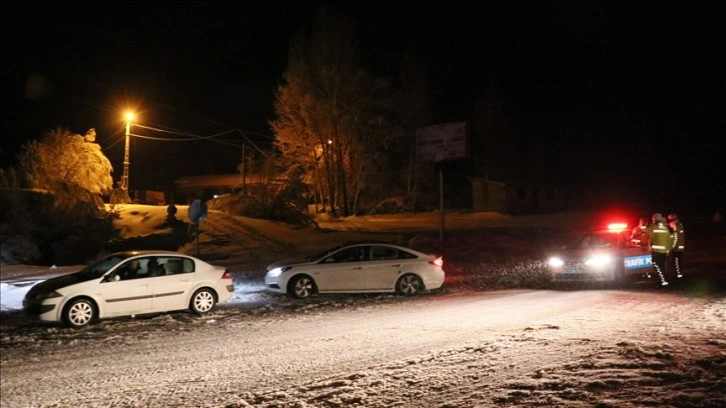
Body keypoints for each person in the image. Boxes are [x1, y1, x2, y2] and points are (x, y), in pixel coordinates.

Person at [641, 213, 674, 287]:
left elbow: (643, 229)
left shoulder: (653, 226)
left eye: (653, 219)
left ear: (654, 219)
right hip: (664, 252)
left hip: (656, 251)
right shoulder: (666, 227)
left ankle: (662, 282)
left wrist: (643, 223)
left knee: (657, 267)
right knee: (663, 267)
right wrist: (668, 250)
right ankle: (665, 281)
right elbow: (670, 240)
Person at [668, 213, 685, 279]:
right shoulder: (679, 225)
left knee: (676, 261)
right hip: (679, 246)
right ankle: (678, 274)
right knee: (677, 261)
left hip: (676, 247)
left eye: (670, 220)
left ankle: (678, 274)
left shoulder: (677, 226)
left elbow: (676, 238)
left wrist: (672, 246)